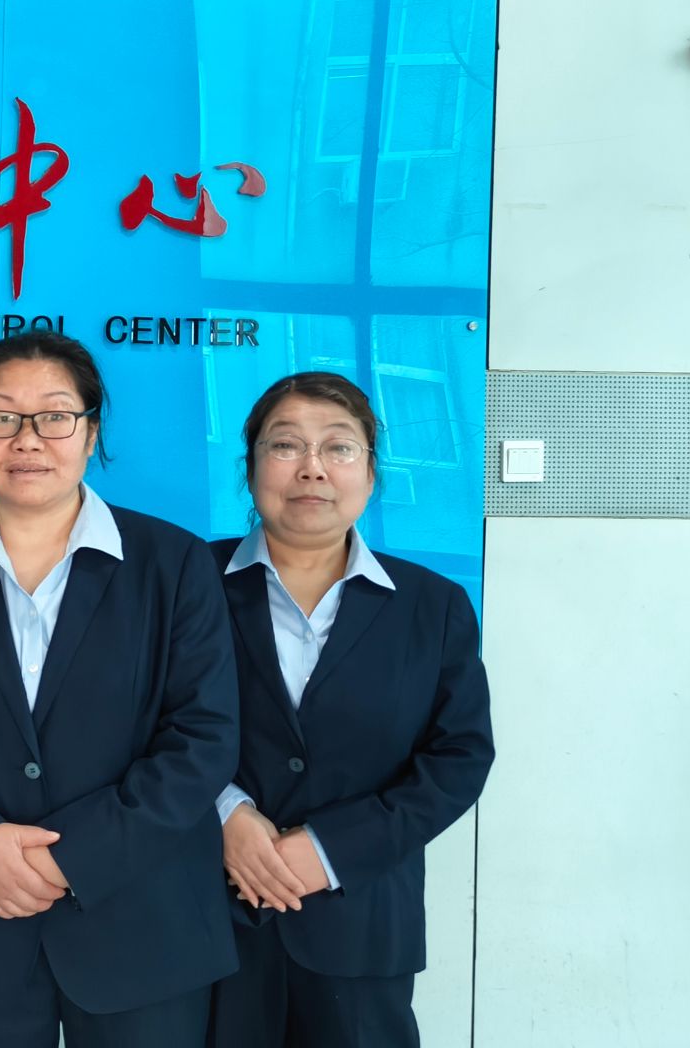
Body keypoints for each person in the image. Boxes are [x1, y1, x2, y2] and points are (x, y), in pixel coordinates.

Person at [0, 330, 239, 1048]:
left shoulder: (173, 564)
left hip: (143, 926)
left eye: (56, 416)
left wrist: (72, 859)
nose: (28, 439)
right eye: (2, 416)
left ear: (92, 432)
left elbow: (203, 739)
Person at [207, 372, 493, 1048]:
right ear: (250, 468)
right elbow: (137, 726)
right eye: (285, 445)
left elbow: (458, 759)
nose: (312, 468)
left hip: (362, 921)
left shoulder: (432, 605)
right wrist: (222, 816)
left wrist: (332, 850)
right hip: (206, 918)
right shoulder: (185, 582)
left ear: (369, 473)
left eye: (338, 447)